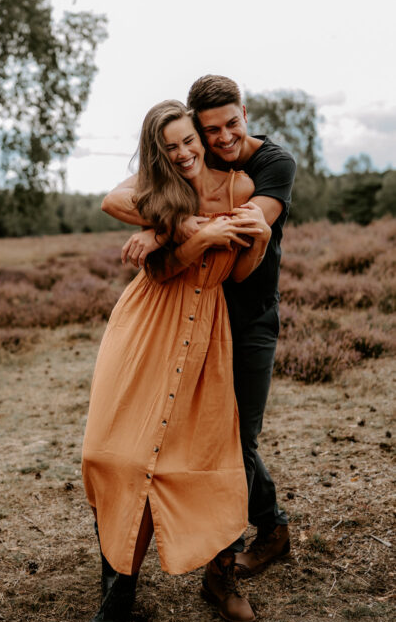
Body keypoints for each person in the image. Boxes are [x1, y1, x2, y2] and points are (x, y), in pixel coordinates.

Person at [81, 99, 271, 622]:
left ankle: (216, 574)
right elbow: (156, 265)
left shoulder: (237, 188)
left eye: (190, 140)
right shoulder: (158, 191)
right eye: (171, 147)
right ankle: (117, 590)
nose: (185, 153)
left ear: (201, 137)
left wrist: (254, 240)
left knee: (199, 456)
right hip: (147, 323)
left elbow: (237, 272)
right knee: (107, 451)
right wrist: (188, 232)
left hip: (205, 327)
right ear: (158, 152)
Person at [103, 75, 296, 585]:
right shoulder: (176, 171)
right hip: (191, 315)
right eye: (208, 131)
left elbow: (251, 224)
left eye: (230, 124)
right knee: (189, 440)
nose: (222, 138)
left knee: (238, 441)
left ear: (246, 114)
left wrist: (176, 225)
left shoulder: (270, 165)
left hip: (248, 314)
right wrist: (169, 223)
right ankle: (220, 545)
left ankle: (244, 548)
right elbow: (116, 199)